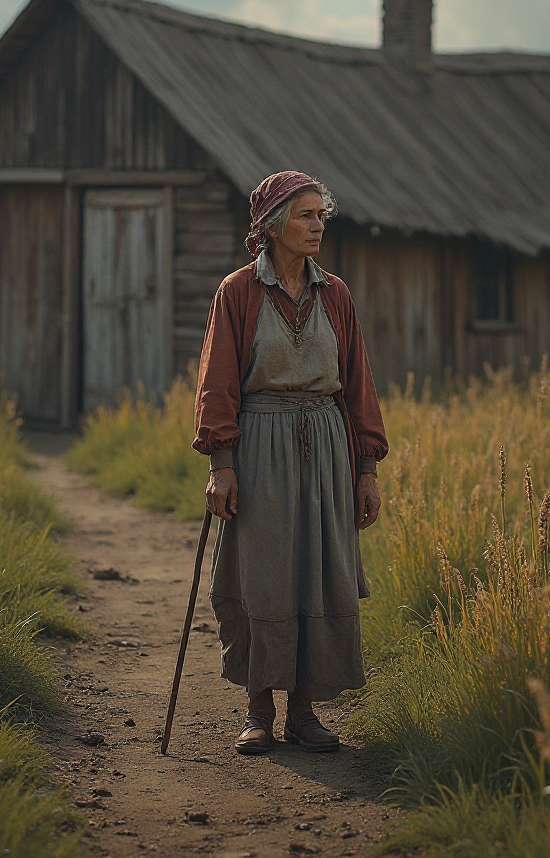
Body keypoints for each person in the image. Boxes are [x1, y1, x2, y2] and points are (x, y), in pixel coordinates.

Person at [192, 170, 388, 754]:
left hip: (327, 445)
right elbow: (218, 381)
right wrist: (222, 463)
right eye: (306, 215)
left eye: (320, 215)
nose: (317, 225)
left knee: (319, 571)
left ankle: (304, 714)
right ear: (274, 226)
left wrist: (367, 469)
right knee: (264, 571)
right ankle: (259, 710)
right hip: (261, 443)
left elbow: (357, 384)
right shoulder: (239, 292)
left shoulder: (336, 294)